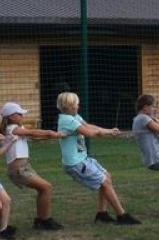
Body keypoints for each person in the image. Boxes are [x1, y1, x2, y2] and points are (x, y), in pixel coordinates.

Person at [55, 91, 137, 224]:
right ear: (69, 106)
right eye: (77, 104)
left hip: (82, 158)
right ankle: (122, 215)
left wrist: (109, 131)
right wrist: (101, 133)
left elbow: (88, 126)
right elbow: (89, 133)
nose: (78, 106)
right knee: (104, 182)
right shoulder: (67, 120)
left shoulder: (74, 116)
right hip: (75, 163)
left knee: (107, 176)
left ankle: (102, 214)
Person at [0, 102, 64, 231]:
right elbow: (33, 132)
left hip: (24, 168)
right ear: (11, 116)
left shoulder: (17, 128)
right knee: (46, 187)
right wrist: (51, 133)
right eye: (20, 114)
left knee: (44, 189)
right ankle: (44, 220)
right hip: (19, 170)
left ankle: (42, 220)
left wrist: (49, 137)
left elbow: (33, 136)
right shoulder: (11, 129)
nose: (22, 115)